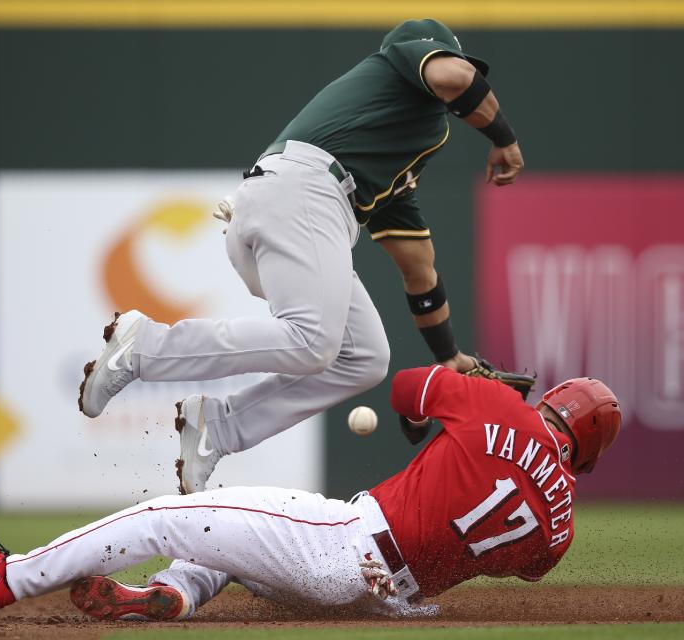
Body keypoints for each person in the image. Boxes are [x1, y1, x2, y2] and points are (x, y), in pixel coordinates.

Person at [76, 18, 527, 494]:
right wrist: (504, 138)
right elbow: (454, 78)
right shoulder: (402, 59)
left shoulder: (394, 147)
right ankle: (145, 347)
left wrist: (449, 356)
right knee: (314, 339)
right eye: (452, 59)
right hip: (305, 193)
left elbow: (419, 269)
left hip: (298, 207)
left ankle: (220, 426)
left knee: (365, 357)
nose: (462, 76)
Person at [0, 366, 621, 619]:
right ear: (587, 454)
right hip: (387, 600)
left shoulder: (494, 405)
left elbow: (404, 391)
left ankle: (8, 577)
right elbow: (520, 561)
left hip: (344, 543)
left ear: (556, 400)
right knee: (232, 540)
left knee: (171, 515)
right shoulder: (558, 534)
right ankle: (177, 593)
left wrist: (462, 376)